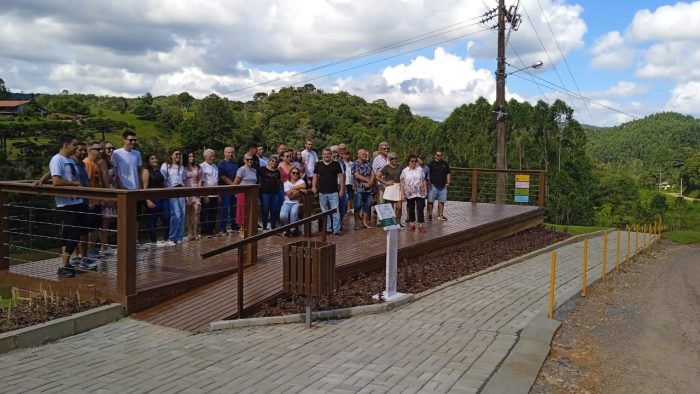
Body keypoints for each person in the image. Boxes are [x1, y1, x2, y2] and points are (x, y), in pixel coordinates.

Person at [48, 135, 88, 277]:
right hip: (65, 203)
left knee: (70, 232)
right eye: (74, 145)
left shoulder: (70, 160)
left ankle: (66, 263)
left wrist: (40, 180)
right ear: (66, 145)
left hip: (76, 201)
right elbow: (56, 181)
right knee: (75, 233)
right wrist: (74, 184)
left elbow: (51, 173)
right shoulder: (57, 159)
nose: (76, 147)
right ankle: (63, 265)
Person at [83, 141, 109, 258]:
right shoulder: (87, 163)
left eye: (101, 149)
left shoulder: (98, 163)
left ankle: (91, 249)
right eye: (97, 149)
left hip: (97, 199)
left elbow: (103, 180)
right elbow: (86, 183)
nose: (100, 152)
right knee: (89, 227)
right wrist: (89, 200)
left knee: (95, 226)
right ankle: (87, 251)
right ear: (90, 150)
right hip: (90, 201)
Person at [311, 148, 345, 236]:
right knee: (324, 212)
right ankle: (328, 228)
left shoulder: (336, 164)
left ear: (331, 155)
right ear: (322, 155)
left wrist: (342, 189)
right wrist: (314, 186)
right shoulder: (318, 164)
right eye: (325, 154)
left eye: (328, 154)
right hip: (322, 192)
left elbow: (341, 177)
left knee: (335, 211)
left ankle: (336, 230)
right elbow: (315, 176)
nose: (326, 155)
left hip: (333, 192)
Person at [141, 153, 169, 245]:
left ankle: (166, 239)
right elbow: (144, 187)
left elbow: (163, 183)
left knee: (166, 217)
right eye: (152, 159)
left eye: (155, 158)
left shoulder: (158, 170)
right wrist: (148, 200)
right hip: (152, 198)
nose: (155, 160)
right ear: (148, 161)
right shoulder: (146, 171)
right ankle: (153, 241)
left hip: (162, 197)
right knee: (152, 220)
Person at [160, 149, 185, 245]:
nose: (178, 156)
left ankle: (179, 237)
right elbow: (163, 180)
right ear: (171, 155)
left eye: (179, 154)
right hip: (172, 190)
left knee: (182, 214)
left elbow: (183, 181)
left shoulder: (181, 167)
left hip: (182, 190)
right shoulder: (166, 166)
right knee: (176, 215)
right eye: (176, 154)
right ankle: (172, 237)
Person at [233, 152, 258, 237]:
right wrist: (235, 192)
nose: (250, 161)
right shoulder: (241, 169)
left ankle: (249, 229)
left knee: (250, 211)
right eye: (247, 159)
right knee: (242, 211)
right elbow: (235, 183)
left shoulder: (254, 170)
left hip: (252, 194)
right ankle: (242, 229)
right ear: (244, 160)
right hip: (243, 193)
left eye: (251, 159)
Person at [401, 154, 427, 232]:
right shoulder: (404, 171)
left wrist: (426, 191)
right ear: (408, 162)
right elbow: (402, 182)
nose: (414, 163)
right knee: (411, 208)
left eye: (415, 161)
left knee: (420, 208)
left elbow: (424, 180)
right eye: (412, 161)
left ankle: (421, 225)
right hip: (410, 193)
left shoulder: (420, 169)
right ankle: (412, 224)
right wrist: (402, 194)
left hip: (420, 192)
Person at [99, 141, 117, 255]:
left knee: (108, 220)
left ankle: (105, 245)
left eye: (112, 148)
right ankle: (103, 246)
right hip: (107, 192)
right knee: (104, 221)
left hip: (113, 190)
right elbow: (104, 179)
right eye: (108, 148)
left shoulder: (111, 161)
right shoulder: (103, 162)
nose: (111, 150)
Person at [218, 146, 239, 235]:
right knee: (225, 209)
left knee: (234, 208)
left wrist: (236, 187)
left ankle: (234, 226)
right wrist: (233, 185)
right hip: (225, 190)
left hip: (234, 190)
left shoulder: (235, 164)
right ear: (224, 153)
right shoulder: (221, 164)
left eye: (232, 152)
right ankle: (222, 228)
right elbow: (222, 177)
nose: (230, 154)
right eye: (228, 152)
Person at [380, 151, 404, 228]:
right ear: (389, 159)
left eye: (395, 158)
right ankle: (391, 223)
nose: (394, 160)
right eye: (392, 159)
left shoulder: (400, 166)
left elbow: (404, 176)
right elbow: (377, 176)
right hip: (390, 188)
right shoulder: (386, 167)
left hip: (398, 187)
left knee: (399, 207)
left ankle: (398, 222)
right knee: (390, 207)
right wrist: (385, 182)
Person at [280, 168, 307, 237]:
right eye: (293, 173)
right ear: (290, 174)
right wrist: (299, 191)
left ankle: (292, 230)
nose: (295, 174)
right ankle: (287, 228)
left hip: (296, 202)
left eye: (297, 173)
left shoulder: (300, 181)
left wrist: (292, 189)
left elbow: (304, 186)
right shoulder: (286, 183)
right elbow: (290, 196)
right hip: (287, 202)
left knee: (293, 213)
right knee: (283, 216)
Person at [258, 155, 282, 230]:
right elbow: (259, 180)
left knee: (274, 210)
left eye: (276, 162)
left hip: (275, 193)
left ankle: (273, 227)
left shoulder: (278, 171)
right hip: (265, 192)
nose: (274, 163)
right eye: (272, 161)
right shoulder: (262, 169)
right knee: (265, 210)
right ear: (269, 161)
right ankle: (264, 227)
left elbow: (278, 182)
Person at [352, 148, 373, 230]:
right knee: (357, 206)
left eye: (365, 154)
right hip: (359, 189)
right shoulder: (354, 164)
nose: (365, 155)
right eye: (363, 154)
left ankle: (364, 222)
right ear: (359, 155)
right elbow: (357, 175)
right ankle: (356, 223)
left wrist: (370, 182)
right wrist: (367, 180)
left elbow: (372, 173)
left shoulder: (368, 163)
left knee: (367, 206)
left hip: (368, 189)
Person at [199, 149, 219, 237]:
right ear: (205, 156)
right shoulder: (202, 166)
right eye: (211, 156)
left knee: (213, 213)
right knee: (205, 213)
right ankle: (204, 232)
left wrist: (219, 194)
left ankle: (211, 231)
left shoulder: (215, 166)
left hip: (215, 194)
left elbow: (216, 181)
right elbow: (202, 181)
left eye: (213, 156)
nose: (212, 158)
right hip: (207, 194)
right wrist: (204, 195)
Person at [427, 150, 451, 221]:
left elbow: (448, 173)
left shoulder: (445, 164)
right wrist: (429, 183)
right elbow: (427, 174)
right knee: (431, 201)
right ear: (435, 156)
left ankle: (441, 215)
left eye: (441, 155)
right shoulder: (431, 164)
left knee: (441, 201)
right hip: (433, 186)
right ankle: (430, 215)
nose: (440, 156)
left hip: (443, 186)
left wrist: (448, 182)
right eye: (438, 155)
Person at [184, 151, 202, 240]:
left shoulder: (197, 167)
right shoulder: (183, 168)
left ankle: (195, 232)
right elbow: (182, 180)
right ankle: (189, 232)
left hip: (195, 190)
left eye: (192, 156)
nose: (191, 158)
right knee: (188, 213)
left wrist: (199, 190)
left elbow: (199, 179)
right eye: (189, 156)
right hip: (187, 191)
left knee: (196, 211)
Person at [342, 148, 354, 216]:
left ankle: (348, 209)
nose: (347, 156)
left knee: (350, 197)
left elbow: (353, 174)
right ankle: (344, 210)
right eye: (346, 154)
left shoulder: (352, 163)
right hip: (344, 182)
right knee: (344, 196)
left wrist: (353, 183)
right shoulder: (341, 163)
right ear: (343, 155)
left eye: (348, 154)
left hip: (350, 182)